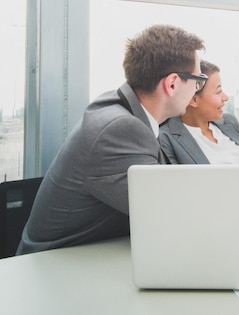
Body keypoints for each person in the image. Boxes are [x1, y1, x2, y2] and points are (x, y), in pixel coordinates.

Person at [17, 25, 206, 254]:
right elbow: (168, 213)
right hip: (57, 266)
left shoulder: (121, 108)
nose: (197, 90)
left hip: (90, 252)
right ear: (172, 83)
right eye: (197, 80)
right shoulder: (121, 129)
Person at [159, 60, 239, 164]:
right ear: (193, 100)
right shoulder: (165, 138)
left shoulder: (229, 122)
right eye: (218, 92)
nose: (226, 97)